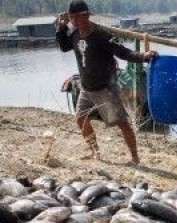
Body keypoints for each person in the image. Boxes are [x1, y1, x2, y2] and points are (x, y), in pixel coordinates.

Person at [56, 0, 157, 165]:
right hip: (86, 87)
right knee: (81, 119)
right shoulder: (74, 34)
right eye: (72, 18)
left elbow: (123, 52)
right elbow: (64, 46)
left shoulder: (103, 35)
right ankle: (95, 152)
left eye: (79, 17)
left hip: (105, 88)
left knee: (122, 123)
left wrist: (143, 56)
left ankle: (135, 158)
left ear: (86, 16)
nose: (74, 21)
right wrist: (60, 29)